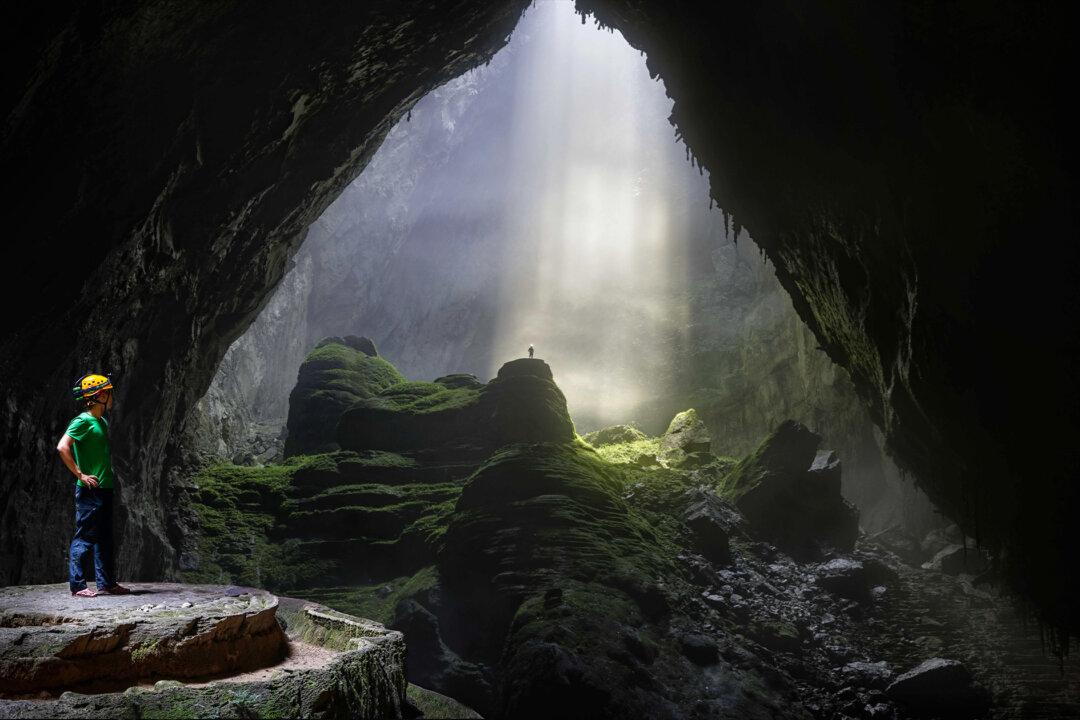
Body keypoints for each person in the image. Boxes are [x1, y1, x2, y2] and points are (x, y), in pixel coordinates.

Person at [57, 374, 131, 597]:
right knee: (85, 536)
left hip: (105, 487)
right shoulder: (82, 421)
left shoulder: (101, 421)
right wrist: (80, 474)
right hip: (90, 490)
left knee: (105, 537)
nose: (112, 396)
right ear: (99, 396)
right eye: (109, 392)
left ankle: (107, 583)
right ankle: (78, 585)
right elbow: (62, 447)